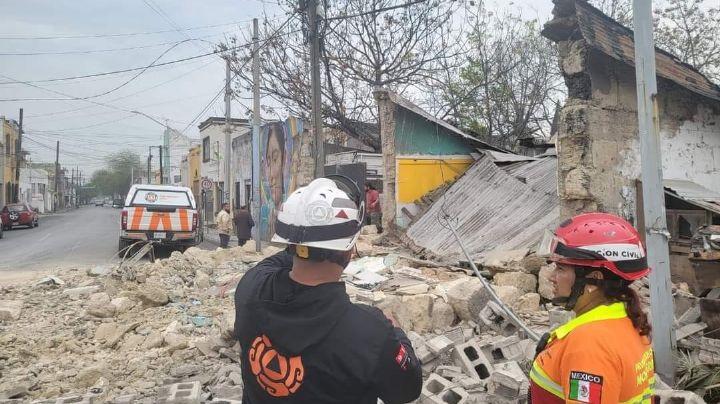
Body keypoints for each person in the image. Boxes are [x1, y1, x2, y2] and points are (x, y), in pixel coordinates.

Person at [234, 177, 422, 404]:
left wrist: (303, 235)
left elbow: (279, 260)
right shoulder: (370, 331)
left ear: (287, 243)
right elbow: (407, 391)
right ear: (350, 250)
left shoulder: (250, 288)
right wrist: (398, 334)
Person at [530, 213, 655, 404]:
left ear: (594, 280)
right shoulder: (625, 320)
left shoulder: (589, 345)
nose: (551, 277)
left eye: (561, 269)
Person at [264, 123, 286, 239]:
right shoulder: (271, 214)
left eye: (275, 158)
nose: (271, 175)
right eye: (268, 161)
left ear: (284, 159)